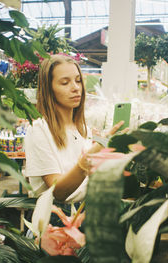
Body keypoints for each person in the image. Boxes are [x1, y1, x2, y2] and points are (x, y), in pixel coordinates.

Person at [25, 54, 124, 203]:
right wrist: (94, 152)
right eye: (65, 83)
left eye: (78, 81)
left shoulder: (84, 130)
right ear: (49, 89)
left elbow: (86, 183)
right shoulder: (39, 130)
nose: (76, 88)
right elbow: (58, 192)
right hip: (55, 220)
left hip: (85, 214)